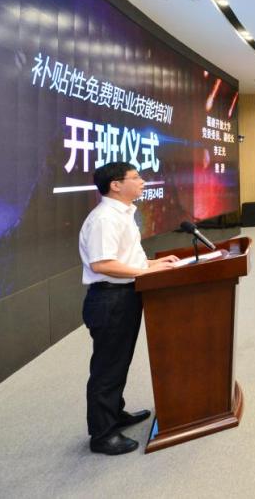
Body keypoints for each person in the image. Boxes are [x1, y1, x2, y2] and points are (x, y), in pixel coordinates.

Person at [80, 162, 180, 455]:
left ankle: (115, 413)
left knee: (119, 361)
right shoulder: (104, 219)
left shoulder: (122, 214)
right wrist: (146, 272)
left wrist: (153, 263)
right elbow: (102, 264)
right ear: (115, 185)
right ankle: (102, 434)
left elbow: (125, 258)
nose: (142, 182)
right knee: (107, 368)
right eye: (135, 177)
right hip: (110, 299)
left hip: (124, 295)